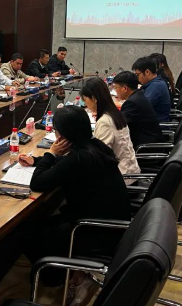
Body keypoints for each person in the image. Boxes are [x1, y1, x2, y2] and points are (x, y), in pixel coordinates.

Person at [18, 106, 130, 288]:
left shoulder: (78, 158)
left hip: (94, 230)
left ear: (62, 135)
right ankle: (60, 269)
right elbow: (65, 164)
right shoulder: (95, 146)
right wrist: (37, 161)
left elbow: (37, 183)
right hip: (111, 222)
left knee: (25, 232)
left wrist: (50, 153)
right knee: (44, 222)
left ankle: (54, 277)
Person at [80, 77, 140, 183]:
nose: (85, 104)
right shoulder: (115, 113)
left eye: (85, 100)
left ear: (94, 98)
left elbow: (99, 157)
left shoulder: (105, 122)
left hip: (122, 179)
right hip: (131, 171)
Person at [112, 71, 163, 149]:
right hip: (147, 141)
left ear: (125, 88)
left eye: (116, 88)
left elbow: (119, 125)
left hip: (144, 148)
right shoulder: (138, 96)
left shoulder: (132, 103)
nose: (115, 91)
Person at [132, 56, 171, 122]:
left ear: (147, 72)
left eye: (138, 75)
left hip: (155, 124)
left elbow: (140, 108)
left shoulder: (156, 86)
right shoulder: (155, 82)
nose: (137, 78)